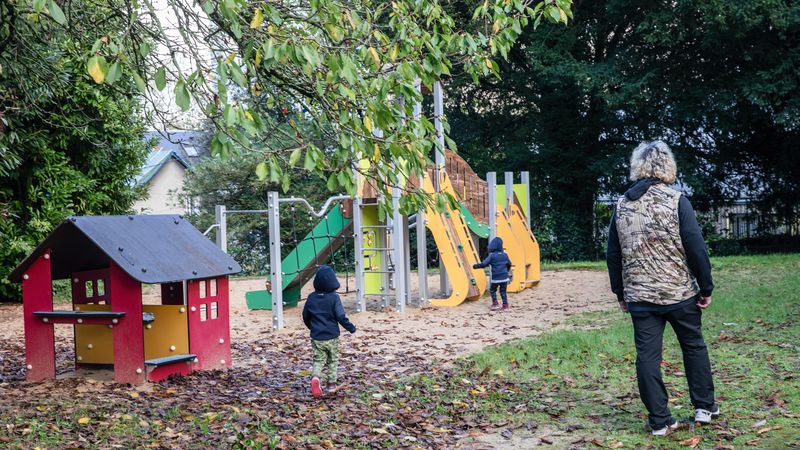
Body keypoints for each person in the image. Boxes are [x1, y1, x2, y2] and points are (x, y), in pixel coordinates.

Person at [606, 140, 718, 436]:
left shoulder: (621, 205)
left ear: (637, 167)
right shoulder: (676, 200)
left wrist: (620, 293)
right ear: (668, 166)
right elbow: (696, 248)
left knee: (647, 357)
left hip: (640, 298)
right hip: (679, 294)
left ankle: (659, 421)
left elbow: (613, 254)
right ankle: (705, 407)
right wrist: (705, 287)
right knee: (693, 346)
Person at [302, 265, 356, 398]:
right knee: (332, 360)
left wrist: (312, 327)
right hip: (332, 336)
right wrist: (350, 328)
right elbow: (341, 316)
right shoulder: (334, 298)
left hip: (317, 336)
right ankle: (331, 384)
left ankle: (316, 377)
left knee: (318, 359)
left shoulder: (311, 298)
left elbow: (305, 316)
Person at [473, 237, 512, 311]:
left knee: (492, 289)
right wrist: (507, 270)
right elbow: (509, 264)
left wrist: (474, 266)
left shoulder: (492, 255)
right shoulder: (505, 255)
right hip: (504, 277)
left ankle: (495, 304)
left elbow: (484, 264)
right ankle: (505, 305)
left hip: (496, 277)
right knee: (503, 291)